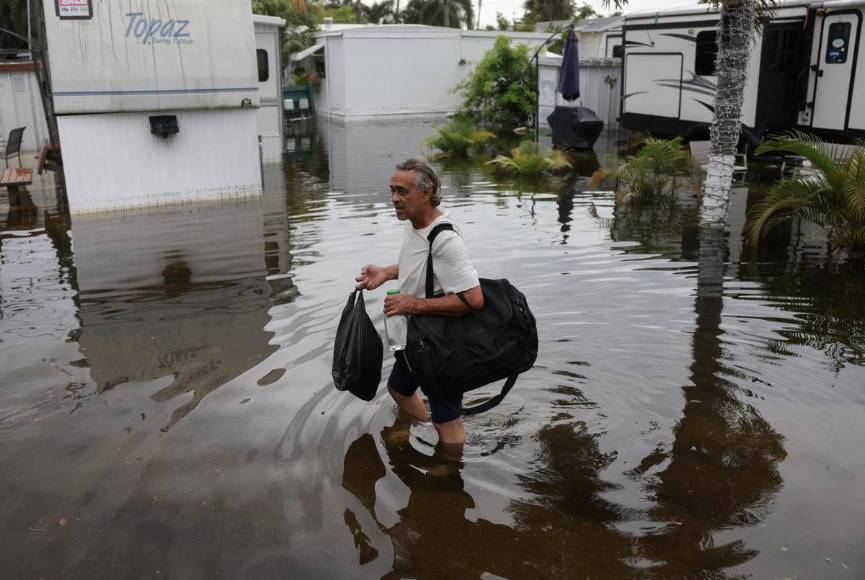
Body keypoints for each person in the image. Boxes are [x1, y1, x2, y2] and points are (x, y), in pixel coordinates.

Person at [355, 159, 483, 445]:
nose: (394, 198)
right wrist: (387, 272)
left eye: (402, 191)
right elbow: (423, 266)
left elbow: (474, 299)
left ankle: (451, 465)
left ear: (426, 192)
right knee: (399, 389)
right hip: (414, 338)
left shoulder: (445, 239)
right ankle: (422, 427)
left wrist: (412, 305)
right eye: (392, 190)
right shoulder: (414, 224)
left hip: (439, 346)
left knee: (447, 421)